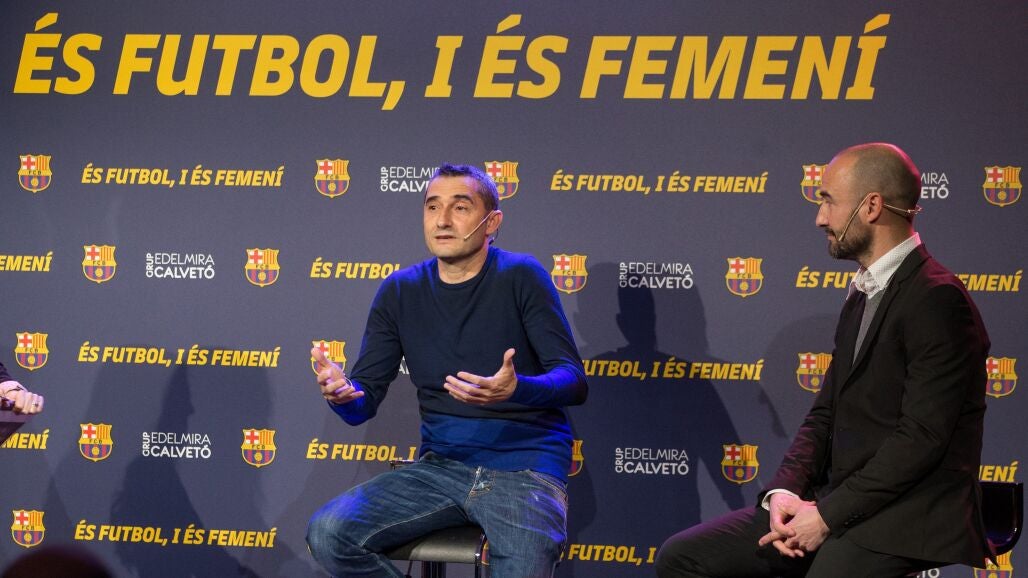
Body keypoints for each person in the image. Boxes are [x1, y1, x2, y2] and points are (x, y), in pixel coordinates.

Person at [655, 143, 992, 577]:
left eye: (829, 201)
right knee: (683, 558)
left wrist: (827, 517)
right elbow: (825, 413)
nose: (820, 218)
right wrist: (783, 492)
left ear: (871, 206)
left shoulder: (937, 298)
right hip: (843, 503)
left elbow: (921, 438)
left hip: (906, 514)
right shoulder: (863, 293)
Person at [306, 163, 588, 577]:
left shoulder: (521, 275)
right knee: (329, 532)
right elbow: (362, 402)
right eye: (432, 206)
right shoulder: (400, 290)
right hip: (441, 468)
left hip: (525, 468)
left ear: (492, 222)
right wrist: (343, 394)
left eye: (460, 207)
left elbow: (573, 380)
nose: (442, 220)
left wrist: (517, 389)